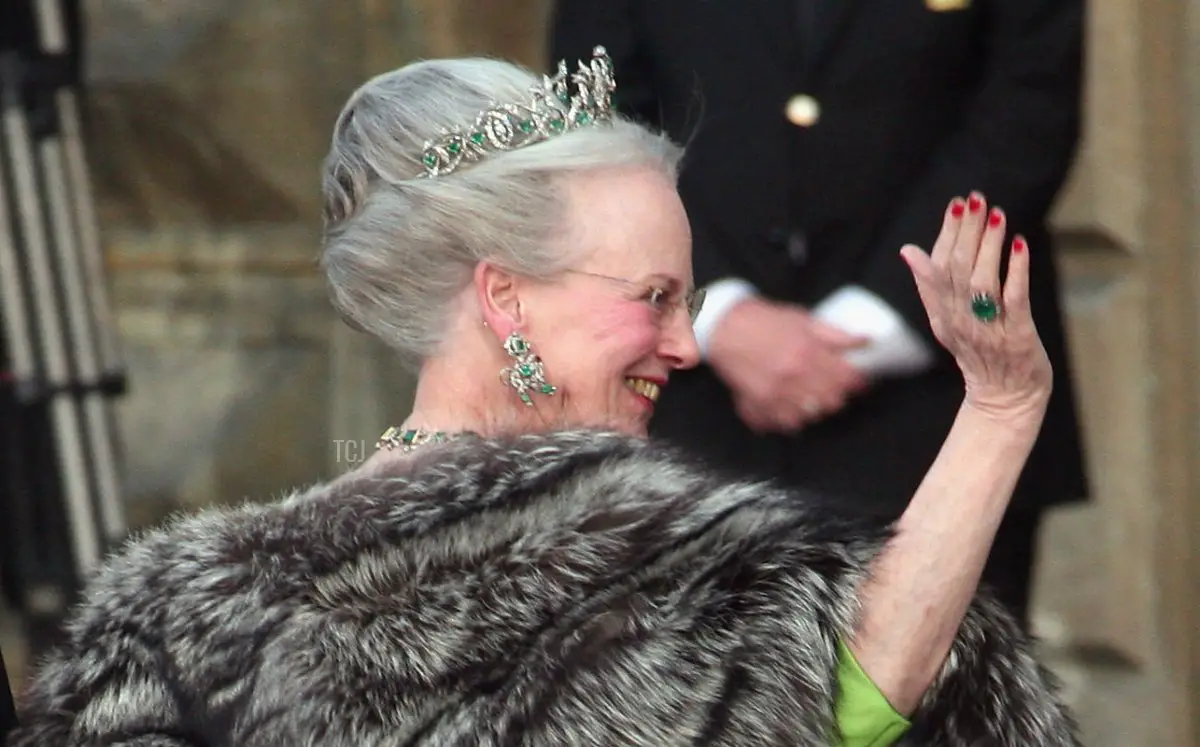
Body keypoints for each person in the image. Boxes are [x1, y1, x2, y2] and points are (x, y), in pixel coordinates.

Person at [6, 49, 1079, 746]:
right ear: (504, 300)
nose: (684, 345)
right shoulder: (669, 570)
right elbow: (858, 697)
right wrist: (999, 412)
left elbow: (851, 693)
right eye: (655, 297)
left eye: (688, 300)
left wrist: (1000, 406)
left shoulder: (182, 626)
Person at [549, 0, 1091, 628]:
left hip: (937, 411)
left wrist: (877, 321)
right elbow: (594, 110)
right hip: (684, 409)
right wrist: (712, 310)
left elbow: (1028, 107)